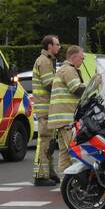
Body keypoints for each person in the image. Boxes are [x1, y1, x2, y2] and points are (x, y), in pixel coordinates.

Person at [46, 45, 89, 177]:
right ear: (74, 57)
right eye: (81, 58)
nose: (82, 61)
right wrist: (91, 84)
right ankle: (78, 180)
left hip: (61, 119)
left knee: (64, 154)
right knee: (75, 150)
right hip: (67, 119)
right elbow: (76, 89)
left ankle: (64, 181)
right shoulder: (69, 70)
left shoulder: (64, 69)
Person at [31, 34, 61, 186]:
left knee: (49, 143)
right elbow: (49, 83)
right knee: (44, 143)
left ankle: (49, 173)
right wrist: (63, 85)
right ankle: (41, 176)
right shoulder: (44, 61)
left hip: (47, 108)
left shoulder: (46, 60)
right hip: (45, 108)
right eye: (57, 44)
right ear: (50, 46)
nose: (59, 47)